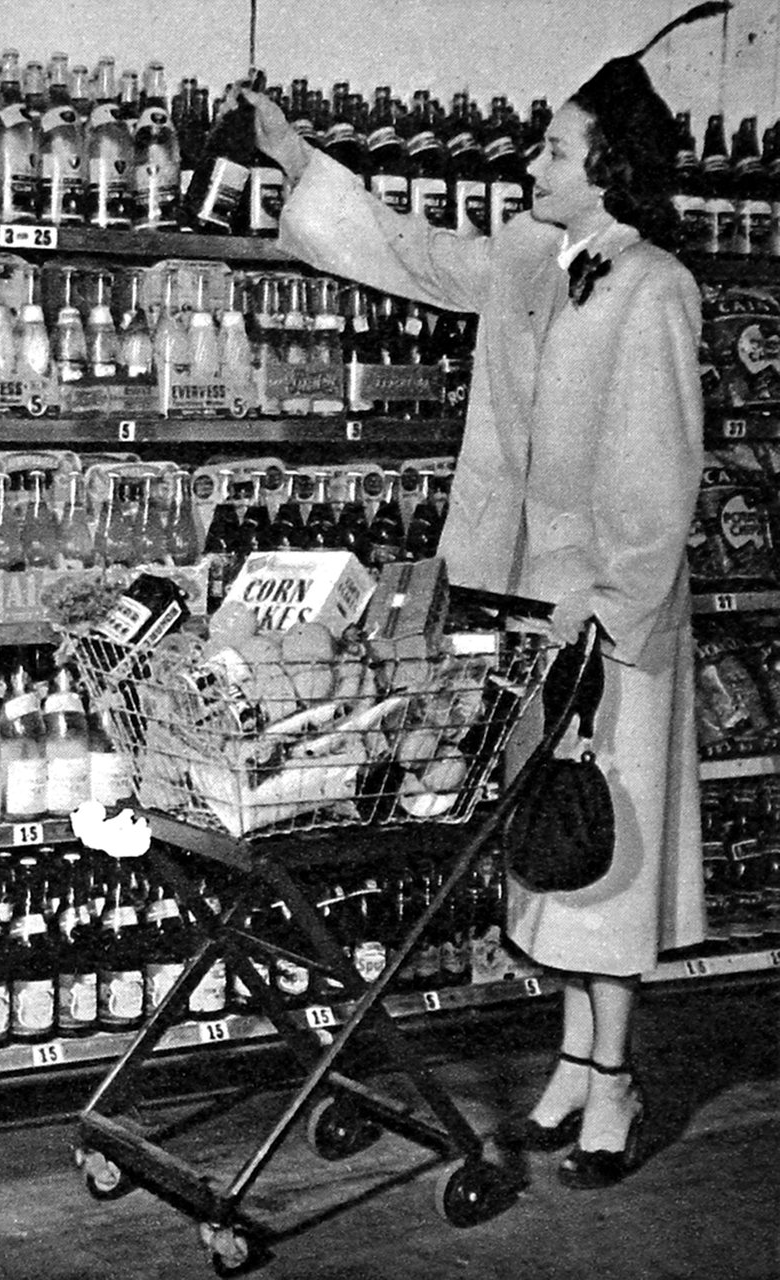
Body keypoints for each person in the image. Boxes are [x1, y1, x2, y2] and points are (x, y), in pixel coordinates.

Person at [243, 23, 717, 1190]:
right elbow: (410, 253)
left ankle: (614, 1078)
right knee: (548, 850)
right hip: (515, 603)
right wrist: (300, 161)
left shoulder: (653, 287)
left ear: (606, 167)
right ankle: (570, 1058)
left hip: (606, 622)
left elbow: (662, 478)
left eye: (552, 151)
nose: (528, 169)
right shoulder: (524, 256)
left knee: (605, 851)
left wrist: (603, 610)